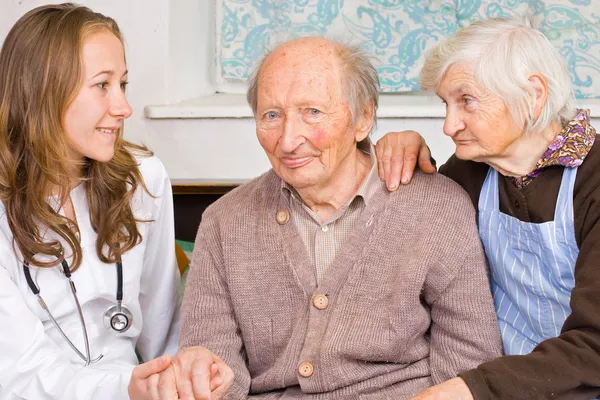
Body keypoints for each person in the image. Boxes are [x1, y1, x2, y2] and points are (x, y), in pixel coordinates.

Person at [173, 36, 502, 398]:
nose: (287, 140)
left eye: (312, 112)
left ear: (362, 118)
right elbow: (212, 368)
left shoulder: (437, 207)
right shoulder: (224, 221)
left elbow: (467, 364)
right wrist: (205, 383)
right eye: (271, 115)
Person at [0, 4, 231, 399]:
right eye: (102, 85)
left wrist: (186, 376)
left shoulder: (143, 178)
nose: (123, 107)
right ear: (42, 91)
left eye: (123, 84)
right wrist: (126, 388)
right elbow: (18, 375)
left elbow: (167, 325)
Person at [375, 17, 600, 400]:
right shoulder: (471, 171)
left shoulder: (594, 180)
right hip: (499, 377)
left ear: (533, 94)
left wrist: (471, 390)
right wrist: (402, 147)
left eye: (466, 101)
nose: (448, 126)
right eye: (446, 104)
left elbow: (596, 345)